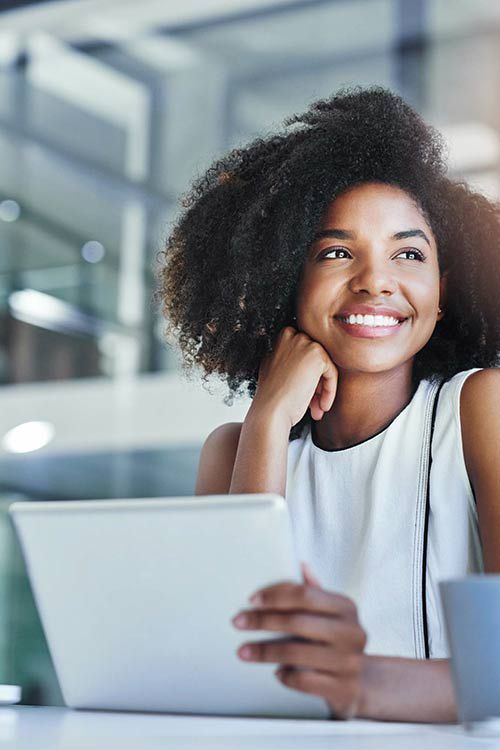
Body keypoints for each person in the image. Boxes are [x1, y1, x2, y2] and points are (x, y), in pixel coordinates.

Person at [156, 87, 500, 723]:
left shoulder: (480, 408)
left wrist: (358, 682)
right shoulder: (234, 448)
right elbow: (231, 666)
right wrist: (265, 421)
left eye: (409, 253)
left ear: (445, 291)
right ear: (285, 279)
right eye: (336, 252)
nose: (375, 280)